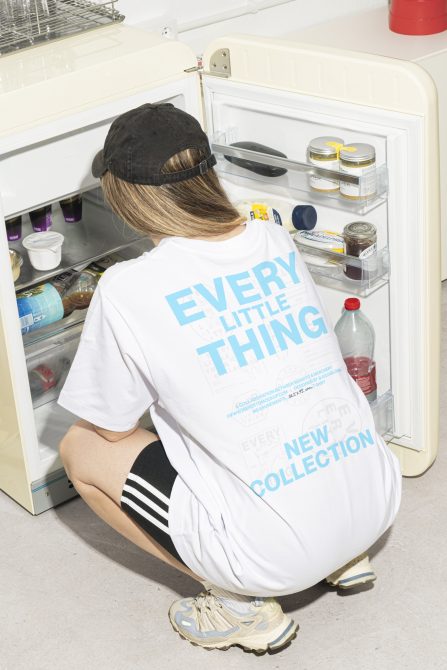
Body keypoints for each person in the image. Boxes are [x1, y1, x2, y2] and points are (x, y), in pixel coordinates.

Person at [58, 103, 401, 654]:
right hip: (376, 500)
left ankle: (239, 606)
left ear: (124, 197)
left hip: (277, 555)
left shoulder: (126, 288)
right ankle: (343, 554)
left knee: (79, 449)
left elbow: (111, 432)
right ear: (208, 174)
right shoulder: (271, 237)